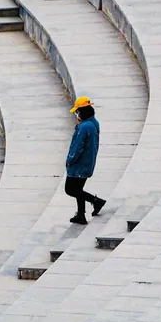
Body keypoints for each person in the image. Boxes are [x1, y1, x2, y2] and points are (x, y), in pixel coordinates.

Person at [65, 96, 106, 225]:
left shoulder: (84, 127)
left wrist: (70, 160)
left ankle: (96, 201)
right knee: (78, 189)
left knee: (70, 189)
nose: (76, 114)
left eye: (77, 112)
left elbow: (77, 147)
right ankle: (81, 214)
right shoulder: (93, 123)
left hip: (79, 164)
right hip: (88, 162)